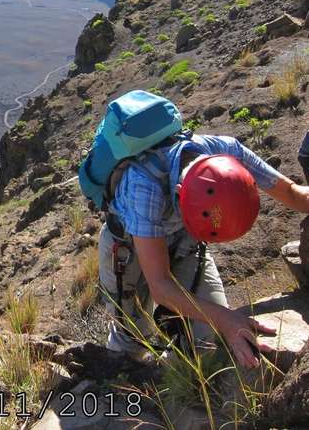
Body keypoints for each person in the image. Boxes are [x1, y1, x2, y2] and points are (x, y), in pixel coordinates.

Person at [98, 131, 309, 369]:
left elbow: (293, 194)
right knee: (131, 338)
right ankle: (123, 377)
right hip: (130, 247)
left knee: (209, 343)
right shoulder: (143, 186)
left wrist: (223, 321)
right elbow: (161, 287)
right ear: (180, 192)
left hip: (184, 240)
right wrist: (225, 318)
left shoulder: (227, 150)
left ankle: (171, 369)